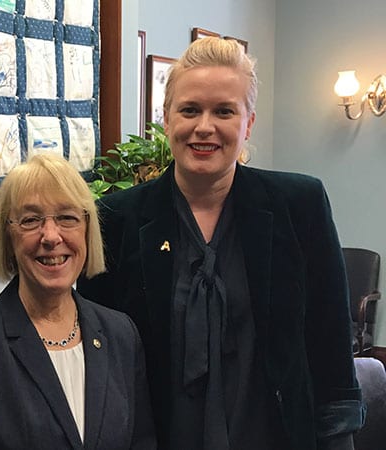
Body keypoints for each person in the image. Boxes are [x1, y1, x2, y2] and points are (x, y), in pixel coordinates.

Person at [77, 37, 364, 450]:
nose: (204, 126)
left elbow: (330, 341)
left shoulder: (299, 206)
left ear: (248, 123)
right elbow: (101, 361)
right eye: (190, 109)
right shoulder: (116, 219)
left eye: (224, 111)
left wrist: (339, 439)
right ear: (166, 118)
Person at [0, 153, 156, 450]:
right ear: (9, 235)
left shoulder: (120, 333)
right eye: (31, 220)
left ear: (87, 229)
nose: (50, 236)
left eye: (67, 217)